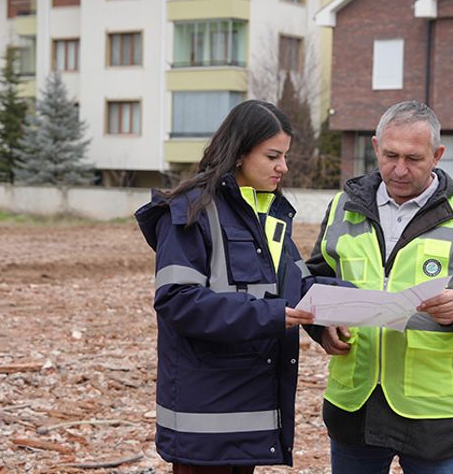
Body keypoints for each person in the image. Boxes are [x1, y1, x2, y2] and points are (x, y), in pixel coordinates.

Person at [305, 100, 453, 473]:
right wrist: (319, 327)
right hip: (354, 411)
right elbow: (312, 280)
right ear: (375, 146)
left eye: (414, 158)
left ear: (437, 155)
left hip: (435, 419)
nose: (400, 169)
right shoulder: (343, 207)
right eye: (390, 155)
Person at [136, 99, 333, 473]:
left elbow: (294, 284)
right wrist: (272, 315)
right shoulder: (189, 211)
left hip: (250, 410)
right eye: (273, 156)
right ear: (241, 153)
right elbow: (178, 301)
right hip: (204, 417)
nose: (283, 167)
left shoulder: (267, 213)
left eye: (285, 156)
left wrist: (329, 317)